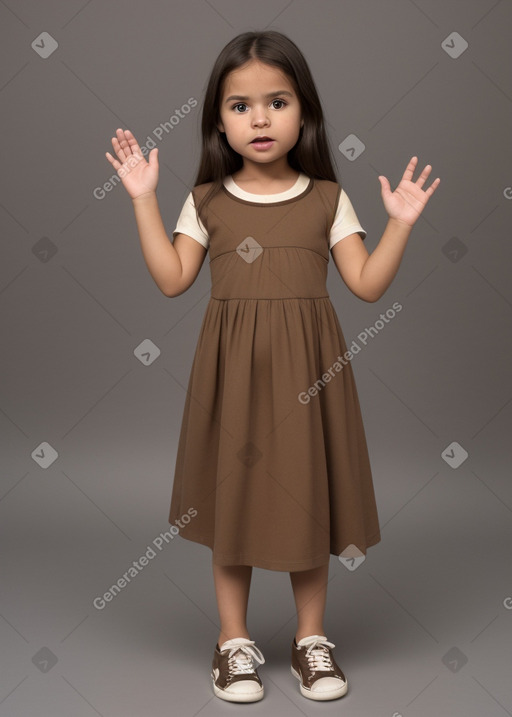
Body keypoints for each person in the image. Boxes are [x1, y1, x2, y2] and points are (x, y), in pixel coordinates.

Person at [105, 29, 440, 704]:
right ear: (218, 121)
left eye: (277, 101)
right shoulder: (205, 200)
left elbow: (367, 284)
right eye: (240, 105)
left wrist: (400, 222)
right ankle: (233, 641)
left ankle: (311, 638)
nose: (259, 118)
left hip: (310, 379)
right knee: (233, 507)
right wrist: (143, 196)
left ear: (304, 113)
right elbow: (172, 278)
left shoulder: (326, 199)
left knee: (308, 502)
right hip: (231, 382)